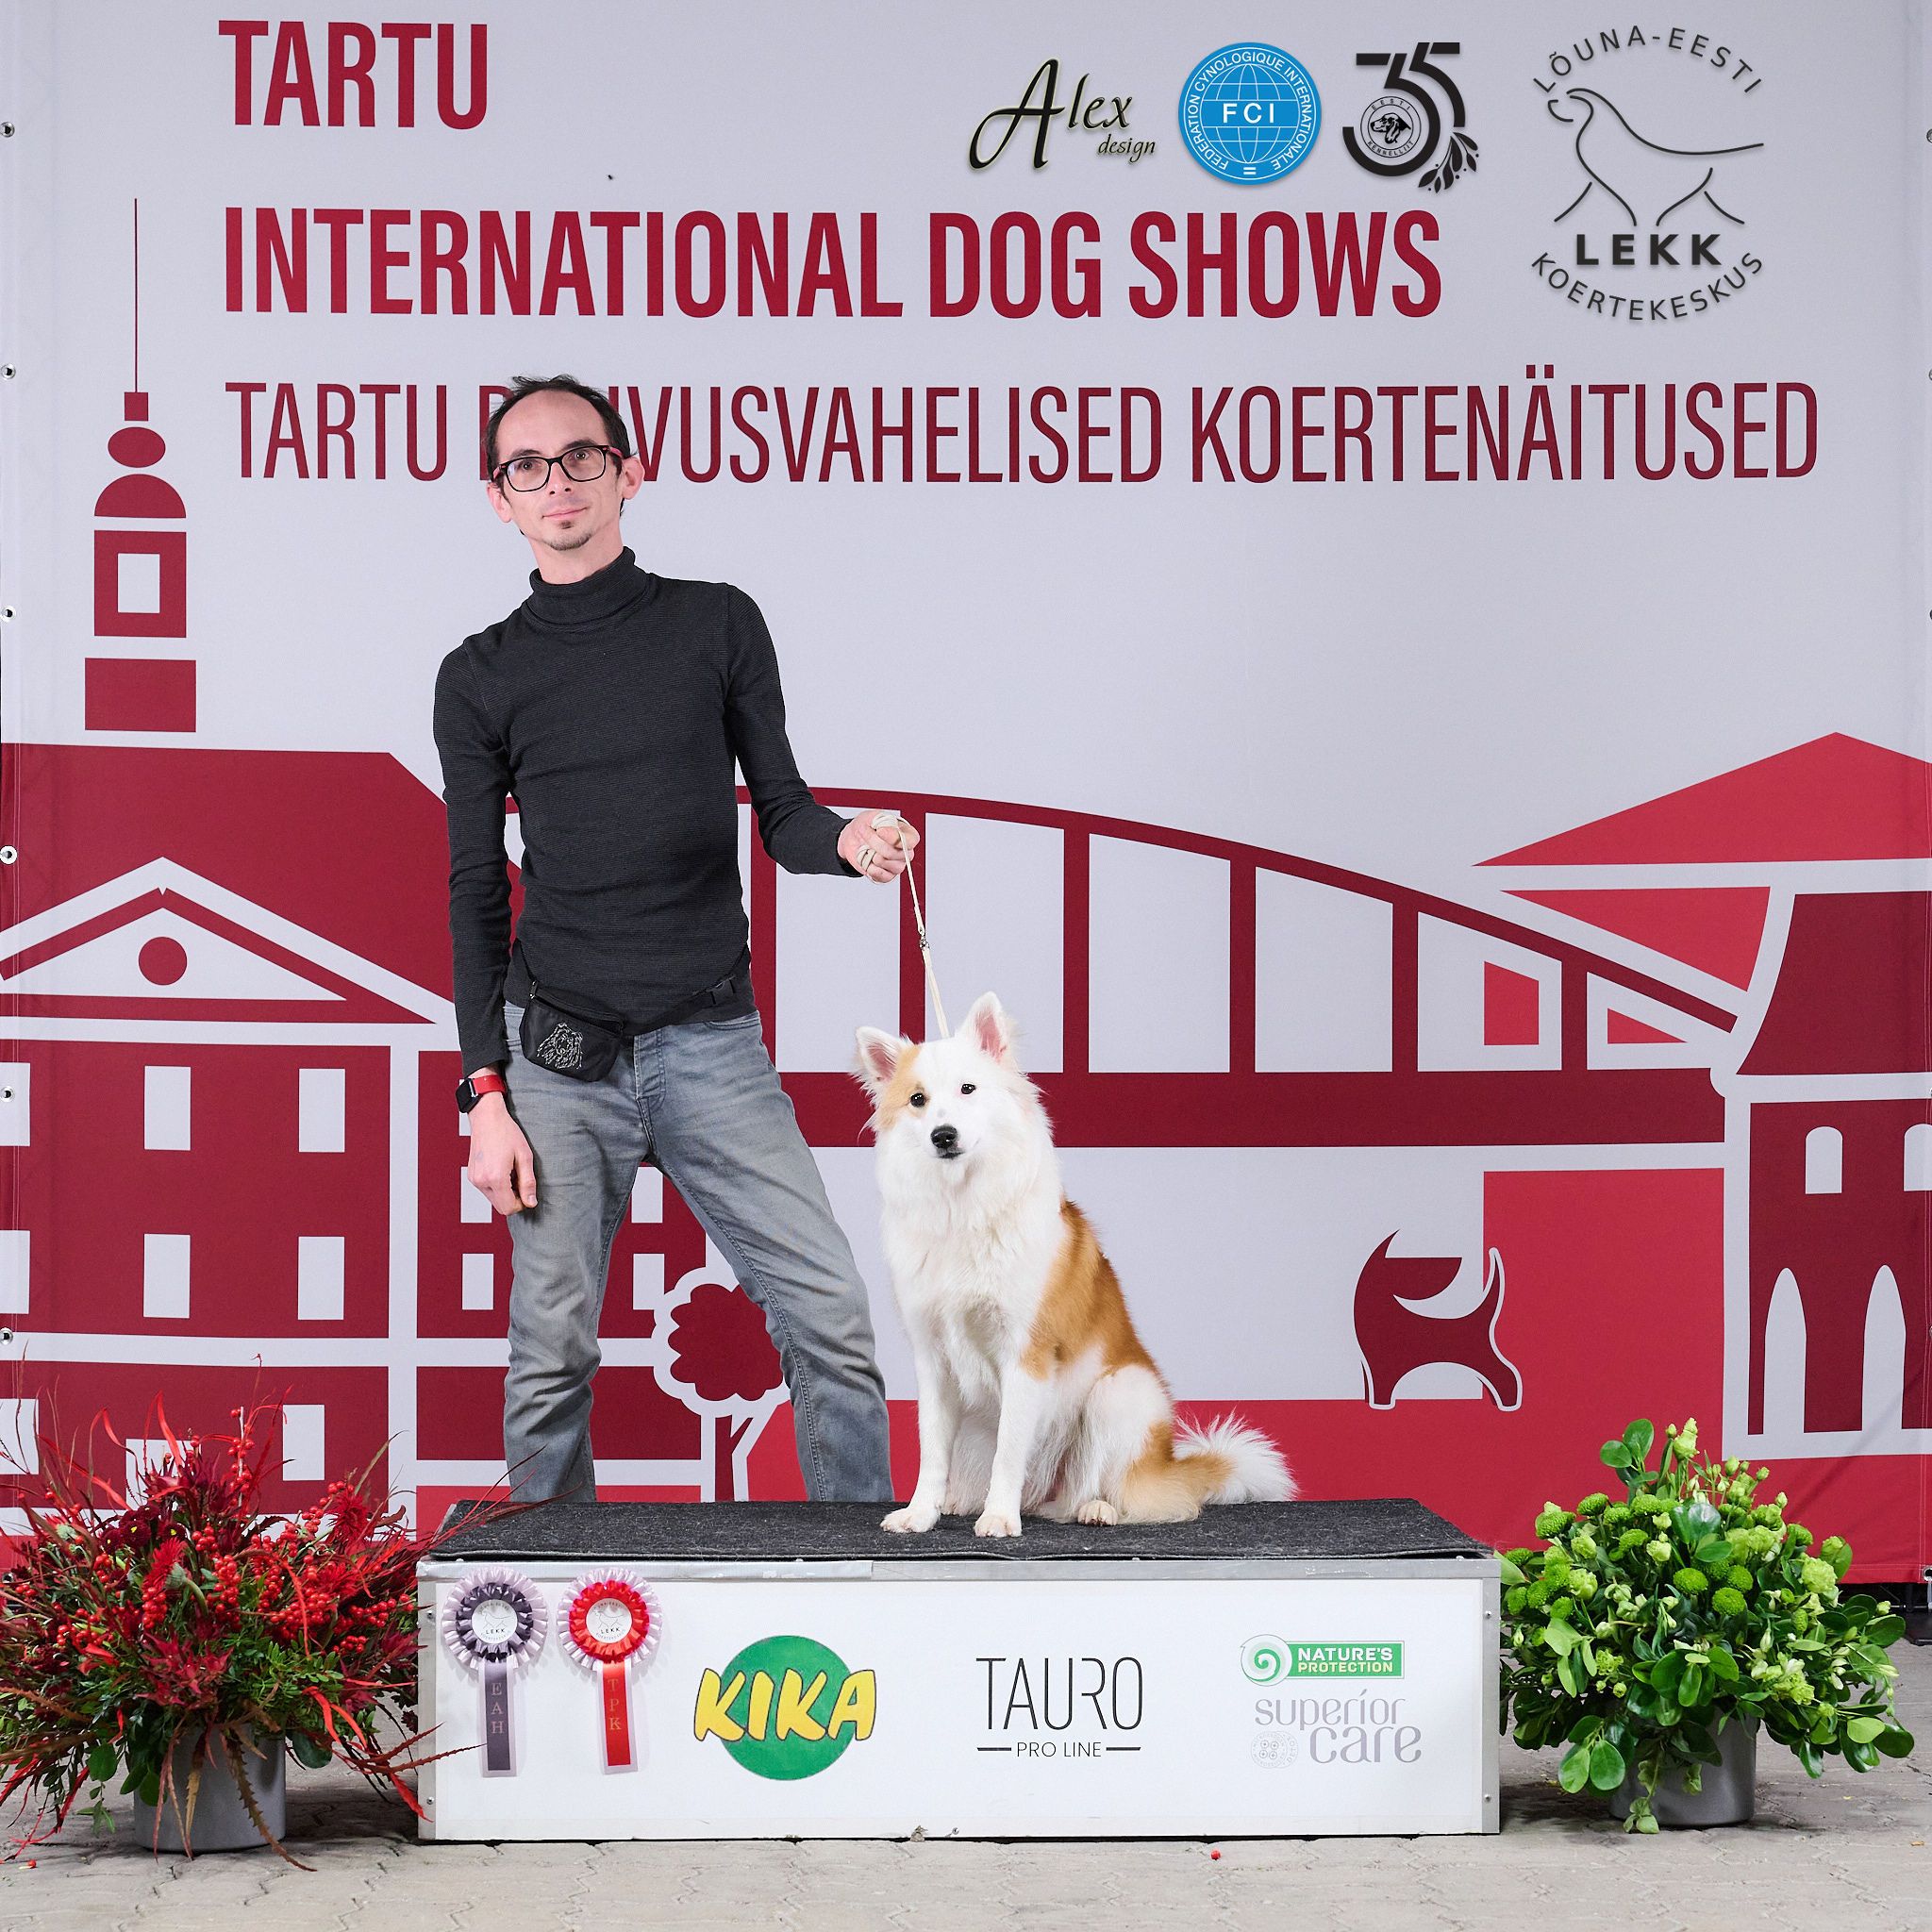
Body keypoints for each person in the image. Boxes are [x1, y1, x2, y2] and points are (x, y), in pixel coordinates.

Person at [431, 372, 912, 1505]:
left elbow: (782, 811)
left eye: (581, 457)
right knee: (550, 1356)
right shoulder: (479, 676)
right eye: (527, 467)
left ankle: (866, 1599)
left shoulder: (716, 622)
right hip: (554, 1054)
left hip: (709, 1041)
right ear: (497, 499)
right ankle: (551, 1629)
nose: (558, 482)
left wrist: (845, 842)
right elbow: (472, 889)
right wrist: (481, 1093)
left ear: (629, 473)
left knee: (830, 1319)